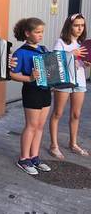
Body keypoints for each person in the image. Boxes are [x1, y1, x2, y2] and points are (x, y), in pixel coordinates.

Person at [10, 17, 52, 175]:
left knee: (40, 126)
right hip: (31, 91)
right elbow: (12, 74)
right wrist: (29, 78)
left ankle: (34, 157)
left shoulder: (44, 50)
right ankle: (23, 159)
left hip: (45, 91)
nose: (41, 35)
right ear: (27, 33)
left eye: (42, 32)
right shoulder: (21, 52)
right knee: (31, 126)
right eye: (37, 32)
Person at [49, 13, 90, 159]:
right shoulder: (61, 42)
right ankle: (54, 145)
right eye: (76, 25)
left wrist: (85, 63)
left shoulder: (83, 44)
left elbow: (80, 63)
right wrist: (72, 53)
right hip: (64, 81)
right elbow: (54, 61)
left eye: (82, 25)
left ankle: (73, 144)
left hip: (79, 81)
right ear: (69, 26)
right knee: (58, 113)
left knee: (76, 114)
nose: (80, 28)